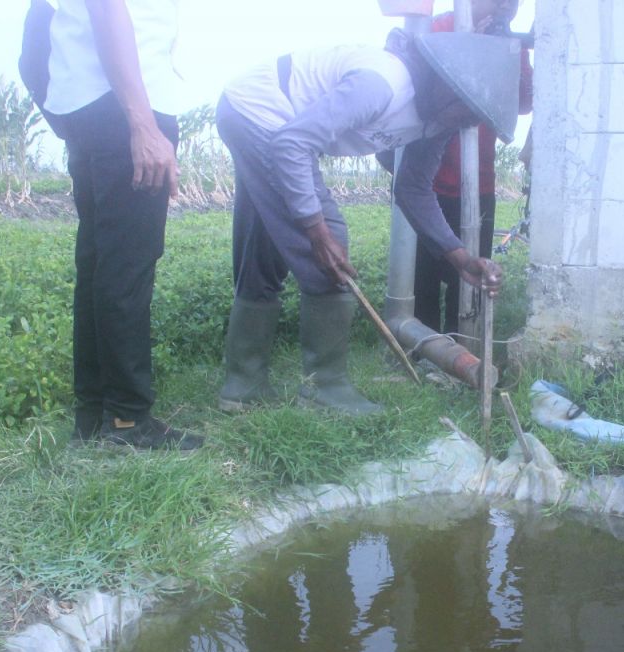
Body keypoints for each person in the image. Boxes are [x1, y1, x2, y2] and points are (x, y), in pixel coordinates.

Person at [216, 29, 517, 415]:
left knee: (265, 247)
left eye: (477, 118)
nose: (468, 123)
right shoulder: (382, 84)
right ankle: (326, 388)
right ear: (446, 84)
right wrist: (316, 231)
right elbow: (291, 143)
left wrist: (460, 258)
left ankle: (242, 387)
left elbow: (413, 190)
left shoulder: (439, 121)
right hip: (261, 115)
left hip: (253, 115)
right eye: (468, 110)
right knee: (328, 246)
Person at [21, 0, 202, 450]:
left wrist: (67, 117)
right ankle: (127, 420)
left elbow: (32, 46)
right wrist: (142, 125)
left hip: (90, 108)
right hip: (129, 106)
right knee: (127, 266)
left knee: (100, 265)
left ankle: (95, 415)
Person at [415, 0, 532, 335]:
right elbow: (423, 91)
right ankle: (421, 347)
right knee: (422, 275)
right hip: (428, 182)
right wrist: (472, 49)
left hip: (480, 183)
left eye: (514, 1)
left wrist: (507, 54)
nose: (507, 6)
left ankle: (461, 345)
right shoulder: (438, 28)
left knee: (469, 276)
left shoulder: (510, 44)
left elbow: (524, 103)